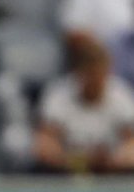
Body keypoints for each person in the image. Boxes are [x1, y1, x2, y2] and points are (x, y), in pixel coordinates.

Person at [35, 36, 134, 174]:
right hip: (65, 173)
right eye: (91, 75)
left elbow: (131, 143)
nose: (96, 81)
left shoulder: (121, 95)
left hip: (112, 173)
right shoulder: (59, 95)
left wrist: (115, 160)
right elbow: (44, 144)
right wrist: (76, 161)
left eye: (100, 75)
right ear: (79, 72)